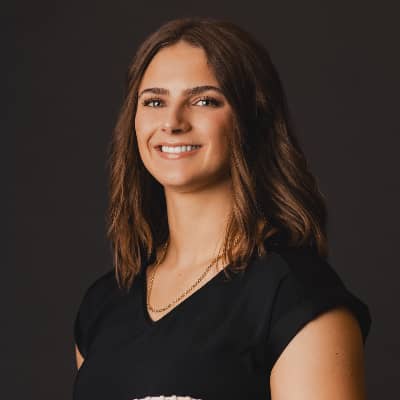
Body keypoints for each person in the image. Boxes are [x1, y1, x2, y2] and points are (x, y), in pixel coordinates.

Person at [72, 16, 372, 400]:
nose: (172, 122)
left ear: (252, 118)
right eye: (154, 101)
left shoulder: (295, 296)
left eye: (204, 101)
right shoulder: (104, 303)